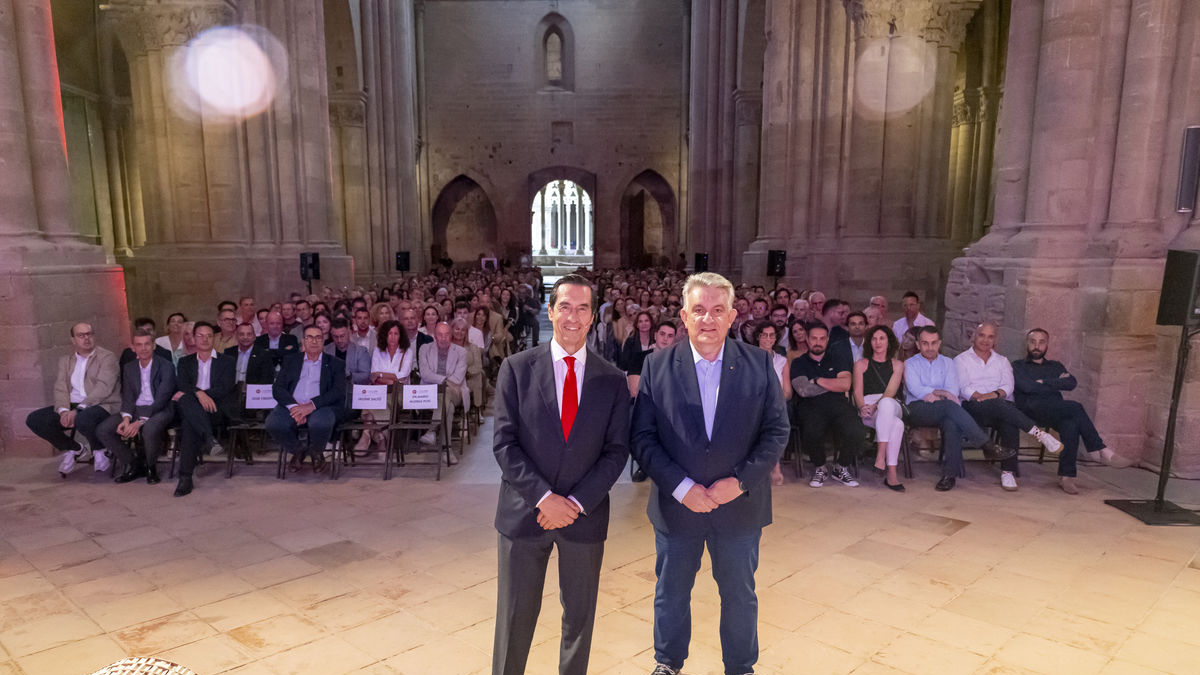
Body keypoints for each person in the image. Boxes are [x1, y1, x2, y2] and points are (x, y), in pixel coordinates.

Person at [631, 272, 789, 675]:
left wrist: (738, 482)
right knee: (671, 592)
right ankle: (667, 662)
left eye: (718, 310)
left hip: (738, 507)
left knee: (739, 594)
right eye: (699, 310)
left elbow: (776, 431)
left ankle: (740, 667)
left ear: (732, 315)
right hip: (677, 505)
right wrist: (682, 488)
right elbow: (644, 438)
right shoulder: (657, 365)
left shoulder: (757, 363)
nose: (708, 319)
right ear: (684, 316)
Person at [491, 274, 631, 675]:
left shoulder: (611, 380)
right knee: (515, 618)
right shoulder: (516, 369)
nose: (573, 316)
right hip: (524, 514)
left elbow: (616, 451)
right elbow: (504, 444)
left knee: (579, 621)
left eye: (582, 308)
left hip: (582, 518)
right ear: (550, 311)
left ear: (593, 317)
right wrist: (543, 498)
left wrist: (574, 503)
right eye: (565, 307)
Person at [1013, 328, 1132, 493]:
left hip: (1056, 410)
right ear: (1027, 343)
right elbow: (1026, 387)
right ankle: (1101, 449)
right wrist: (1054, 382)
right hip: (1031, 409)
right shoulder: (1017, 366)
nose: (1036, 346)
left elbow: (1071, 383)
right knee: (1075, 407)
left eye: (1041, 342)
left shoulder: (1055, 365)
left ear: (1047, 345)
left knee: (1071, 424)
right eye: (1033, 342)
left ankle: (1066, 477)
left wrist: (1043, 382)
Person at [903, 325, 1015, 491]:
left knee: (952, 422)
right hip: (917, 409)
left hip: (945, 410)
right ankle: (987, 445)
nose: (930, 347)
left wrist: (940, 394)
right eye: (925, 343)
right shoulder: (909, 364)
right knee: (949, 407)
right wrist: (940, 393)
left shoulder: (948, 363)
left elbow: (953, 391)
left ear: (939, 343)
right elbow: (917, 390)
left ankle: (949, 475)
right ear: (918, 345)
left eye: (933, 343)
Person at [954, 321, 1063, 491]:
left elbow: (1007, 386)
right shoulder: (961, 360)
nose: (985, 340)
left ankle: (1008, 472)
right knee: (1004, 407)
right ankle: (1039, 434)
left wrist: (993, 396)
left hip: (999, 408)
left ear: (995, 340)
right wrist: (984, 398)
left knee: (1009, 420)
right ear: (974, 337)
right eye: (982, 335)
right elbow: (963, 387)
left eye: (990, 337)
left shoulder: (1002, 361)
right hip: (973, 407)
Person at [26, 322, 119, 476]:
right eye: (81, 335)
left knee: (83, 418)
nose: (86, 338)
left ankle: (99, 449)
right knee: (35, 419)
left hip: (102, 404)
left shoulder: (106, 357)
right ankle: (75, 448)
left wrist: (79, 409)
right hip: (73, 405)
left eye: (89, 334)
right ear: (73, 340)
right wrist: (63, 411)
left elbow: (104, 387)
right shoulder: (66, 361)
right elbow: (61, 387)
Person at [97, 328, 176, 485]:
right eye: (139, 345)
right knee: (103, 429)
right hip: (135, 410)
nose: (143, 348)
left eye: (147, 344)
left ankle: (151, 468)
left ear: (153, 345)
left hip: (160, 409)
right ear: (133, 348)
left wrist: (140, 421)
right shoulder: (129, 367)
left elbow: (162, 398)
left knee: (149, 429)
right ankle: (134, 463)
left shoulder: (166, 365)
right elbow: (127, 395)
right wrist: (126, 418)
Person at [790, 323, 863, 488]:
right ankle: (820, 467)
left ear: (827, 340)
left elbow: (846, 384)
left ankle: (841, 467)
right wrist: (833, 384)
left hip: (838, 404)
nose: (818, 342)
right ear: (807, 340)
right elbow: (804, 390)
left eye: (822, 338)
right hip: (810, 406)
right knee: (811, 430)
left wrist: (817, 380)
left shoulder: (837, 359)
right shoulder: (799, 363)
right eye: (814, 338)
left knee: (857, 431)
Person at [266, 325, 346, 474]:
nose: (314, 341)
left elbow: (338, 391)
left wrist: (311, 406)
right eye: (310, 337)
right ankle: (298, 451)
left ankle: (316, 452)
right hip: (293, 406)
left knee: (320, 423)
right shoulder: (291, 361)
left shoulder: (335, 363)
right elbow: (278, 388)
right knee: (274, 423)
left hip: (322, 407)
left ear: (323, 341)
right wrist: (294, 407)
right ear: (303, 341)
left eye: (318, 337)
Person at [173, 322, 237, 497]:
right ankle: (209, 439)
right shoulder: (185, 362)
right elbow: (182, 384)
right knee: (188, 408)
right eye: (200, 335)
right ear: (193, 338)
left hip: (216, 409)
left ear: (214, 338)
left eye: (209, 335)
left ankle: (185, 478)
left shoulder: (227, 361)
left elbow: (224, 387)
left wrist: (199, 394)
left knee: (188, 413)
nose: (205, 339)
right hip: (193, 408)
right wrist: (199, 394)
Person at [852, 325, 906, 491]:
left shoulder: (898, 365)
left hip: (890, 404)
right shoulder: (860, 364)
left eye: (882, 338)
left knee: (886, 403)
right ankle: (892, 474)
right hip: (868, 407)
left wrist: (877, 406)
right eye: (874, 339)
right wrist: (862, 407)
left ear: (889, 342)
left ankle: (880, 455)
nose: (878, 342)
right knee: (897, 425)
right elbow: (857, 391)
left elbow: (890, 391)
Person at [416, 322, 468, 454]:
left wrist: (444, 383)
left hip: (455, 392)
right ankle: (447, 450)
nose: (443, 338)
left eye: (446, 334)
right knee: (448, 408)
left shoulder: (461, 352)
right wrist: (445, 380)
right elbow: (425, 374)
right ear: (435, 335)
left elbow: (457, 379)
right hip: (429, 393)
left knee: (447, 392)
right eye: (440, 334)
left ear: (451, 335)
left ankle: (432, 429)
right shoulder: (424, 349)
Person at [754, 320, 792, 487]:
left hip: (776, 404)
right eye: (764, 335)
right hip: (753, 404)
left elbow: (788, 392)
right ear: (758, 337)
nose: (768, 339)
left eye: (771, 335)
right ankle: (766, 467)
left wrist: (774, 402)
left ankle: (774, 467)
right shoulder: (749, 357)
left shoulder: (782, 361)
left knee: (773, 421)